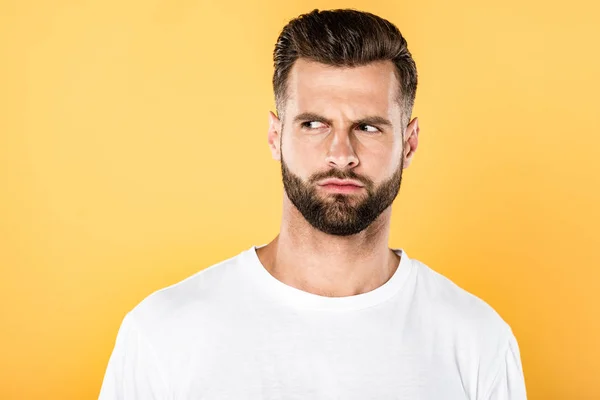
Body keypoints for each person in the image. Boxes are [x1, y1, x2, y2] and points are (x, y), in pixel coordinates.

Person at [98, 8, 527, 399]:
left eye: (369, 127)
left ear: (409, 144)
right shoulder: (162, 335)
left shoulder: (478, 342)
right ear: (275, 136)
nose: (341, 154)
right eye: (314, 124)